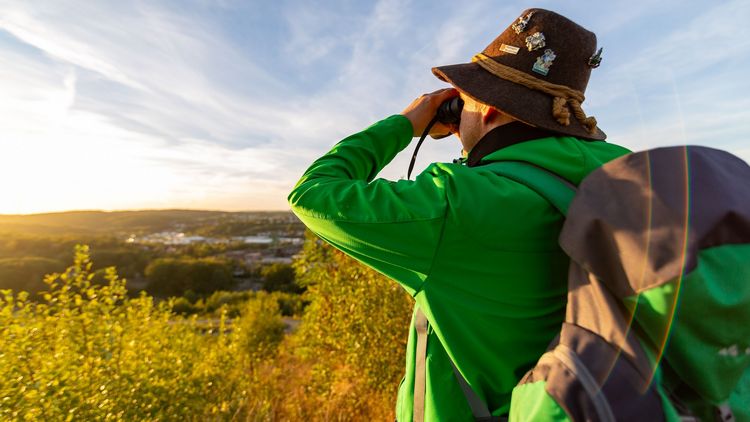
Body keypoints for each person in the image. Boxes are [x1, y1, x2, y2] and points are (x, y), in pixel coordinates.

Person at [288, 8, 630, 421]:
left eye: (464, 100)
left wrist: (402, 125)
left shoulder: (458, 202)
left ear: (486, 108)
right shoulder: (623, 175)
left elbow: (313, 193)